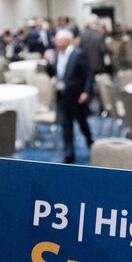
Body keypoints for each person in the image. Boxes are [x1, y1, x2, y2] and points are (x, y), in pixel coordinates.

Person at [46, 29, 94, 164]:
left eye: (58, 40)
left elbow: (89, 74)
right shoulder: (55, 55)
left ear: (66, 41)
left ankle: (91, 143)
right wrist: (48, 63)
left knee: (82, 124)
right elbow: (53, 73)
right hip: (62, 96)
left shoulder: (78, 54)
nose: (56, 43)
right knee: (66, 126)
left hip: (77, 96)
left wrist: (86, 92)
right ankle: (69, 154)